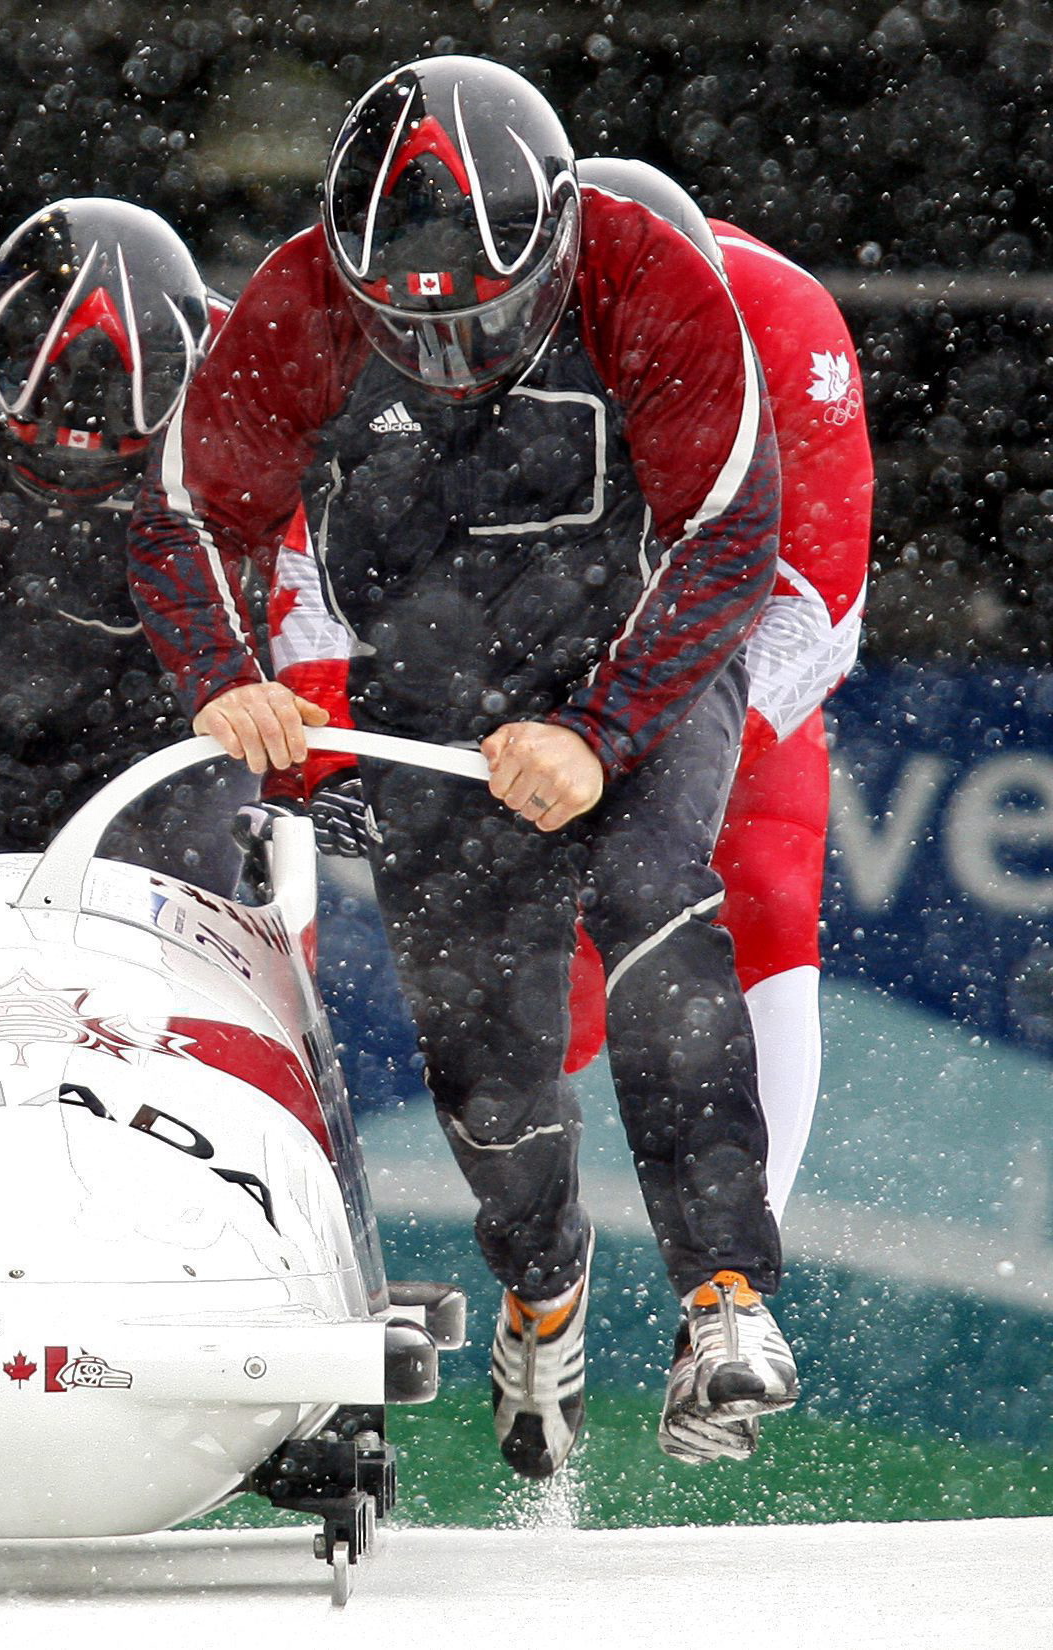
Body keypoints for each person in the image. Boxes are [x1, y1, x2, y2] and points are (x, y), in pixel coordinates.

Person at [128, 55, 796, 1479]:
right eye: (407, 325)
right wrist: (230, 680)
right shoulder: (298, 300)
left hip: (636, 657)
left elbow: (732, 530)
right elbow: (190, 511)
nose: (449, 352)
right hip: (432, 686)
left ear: (555, 246)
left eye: (485, 319)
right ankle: (543, 1288)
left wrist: (601, 733)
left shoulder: (651, 280)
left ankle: (724, 1296)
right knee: (487, 1055)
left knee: (655, 904)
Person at [562, 158, 873, 1461]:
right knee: (519, 969)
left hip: (730, 640)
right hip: (548, 630)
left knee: (760, 900)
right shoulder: (481, 322)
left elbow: (823, 603)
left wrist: (653, 748)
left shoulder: (785, 323)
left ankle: (724, 1313)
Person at [0, 197, 341, 892]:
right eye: (43, 434)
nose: (72, 462)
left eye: (115, 445)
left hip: (186, 735)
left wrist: (301, 779)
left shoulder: (242, 372)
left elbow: (300, 581)